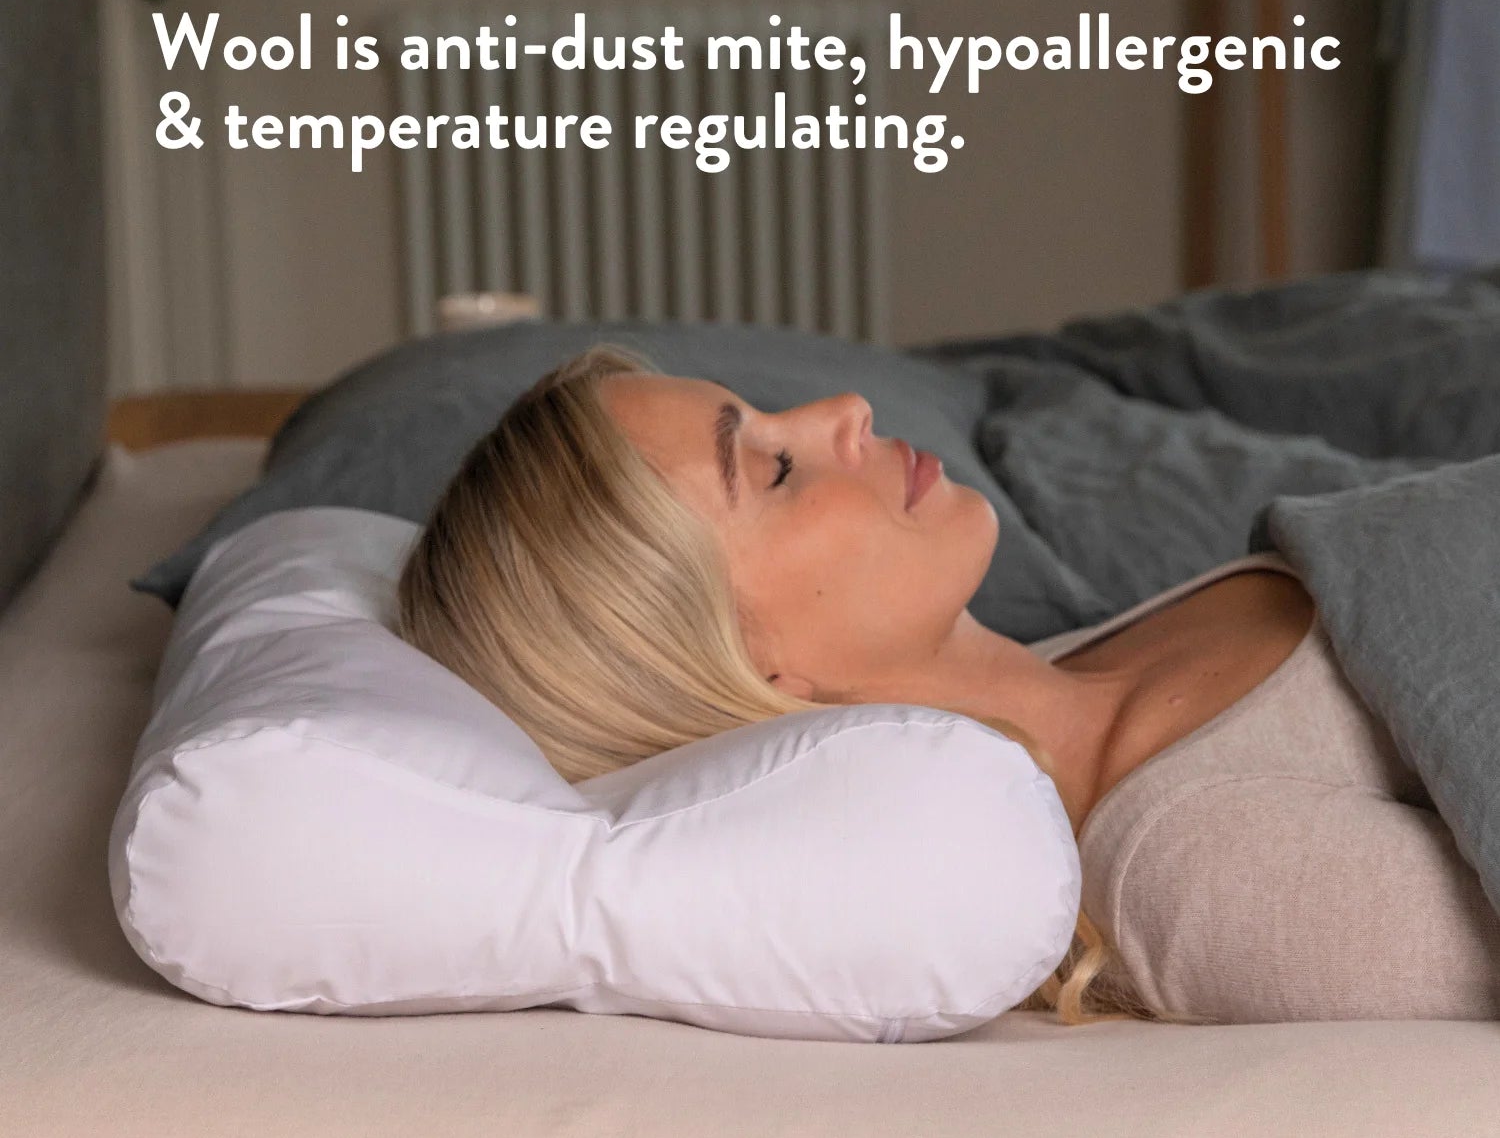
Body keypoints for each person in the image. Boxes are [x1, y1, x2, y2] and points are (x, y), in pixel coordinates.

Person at [398, 346, 1500, 1028]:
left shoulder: (1086, 658)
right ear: (751, 668)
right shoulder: (1194, 872)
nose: (844, 409)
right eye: (774, 467)